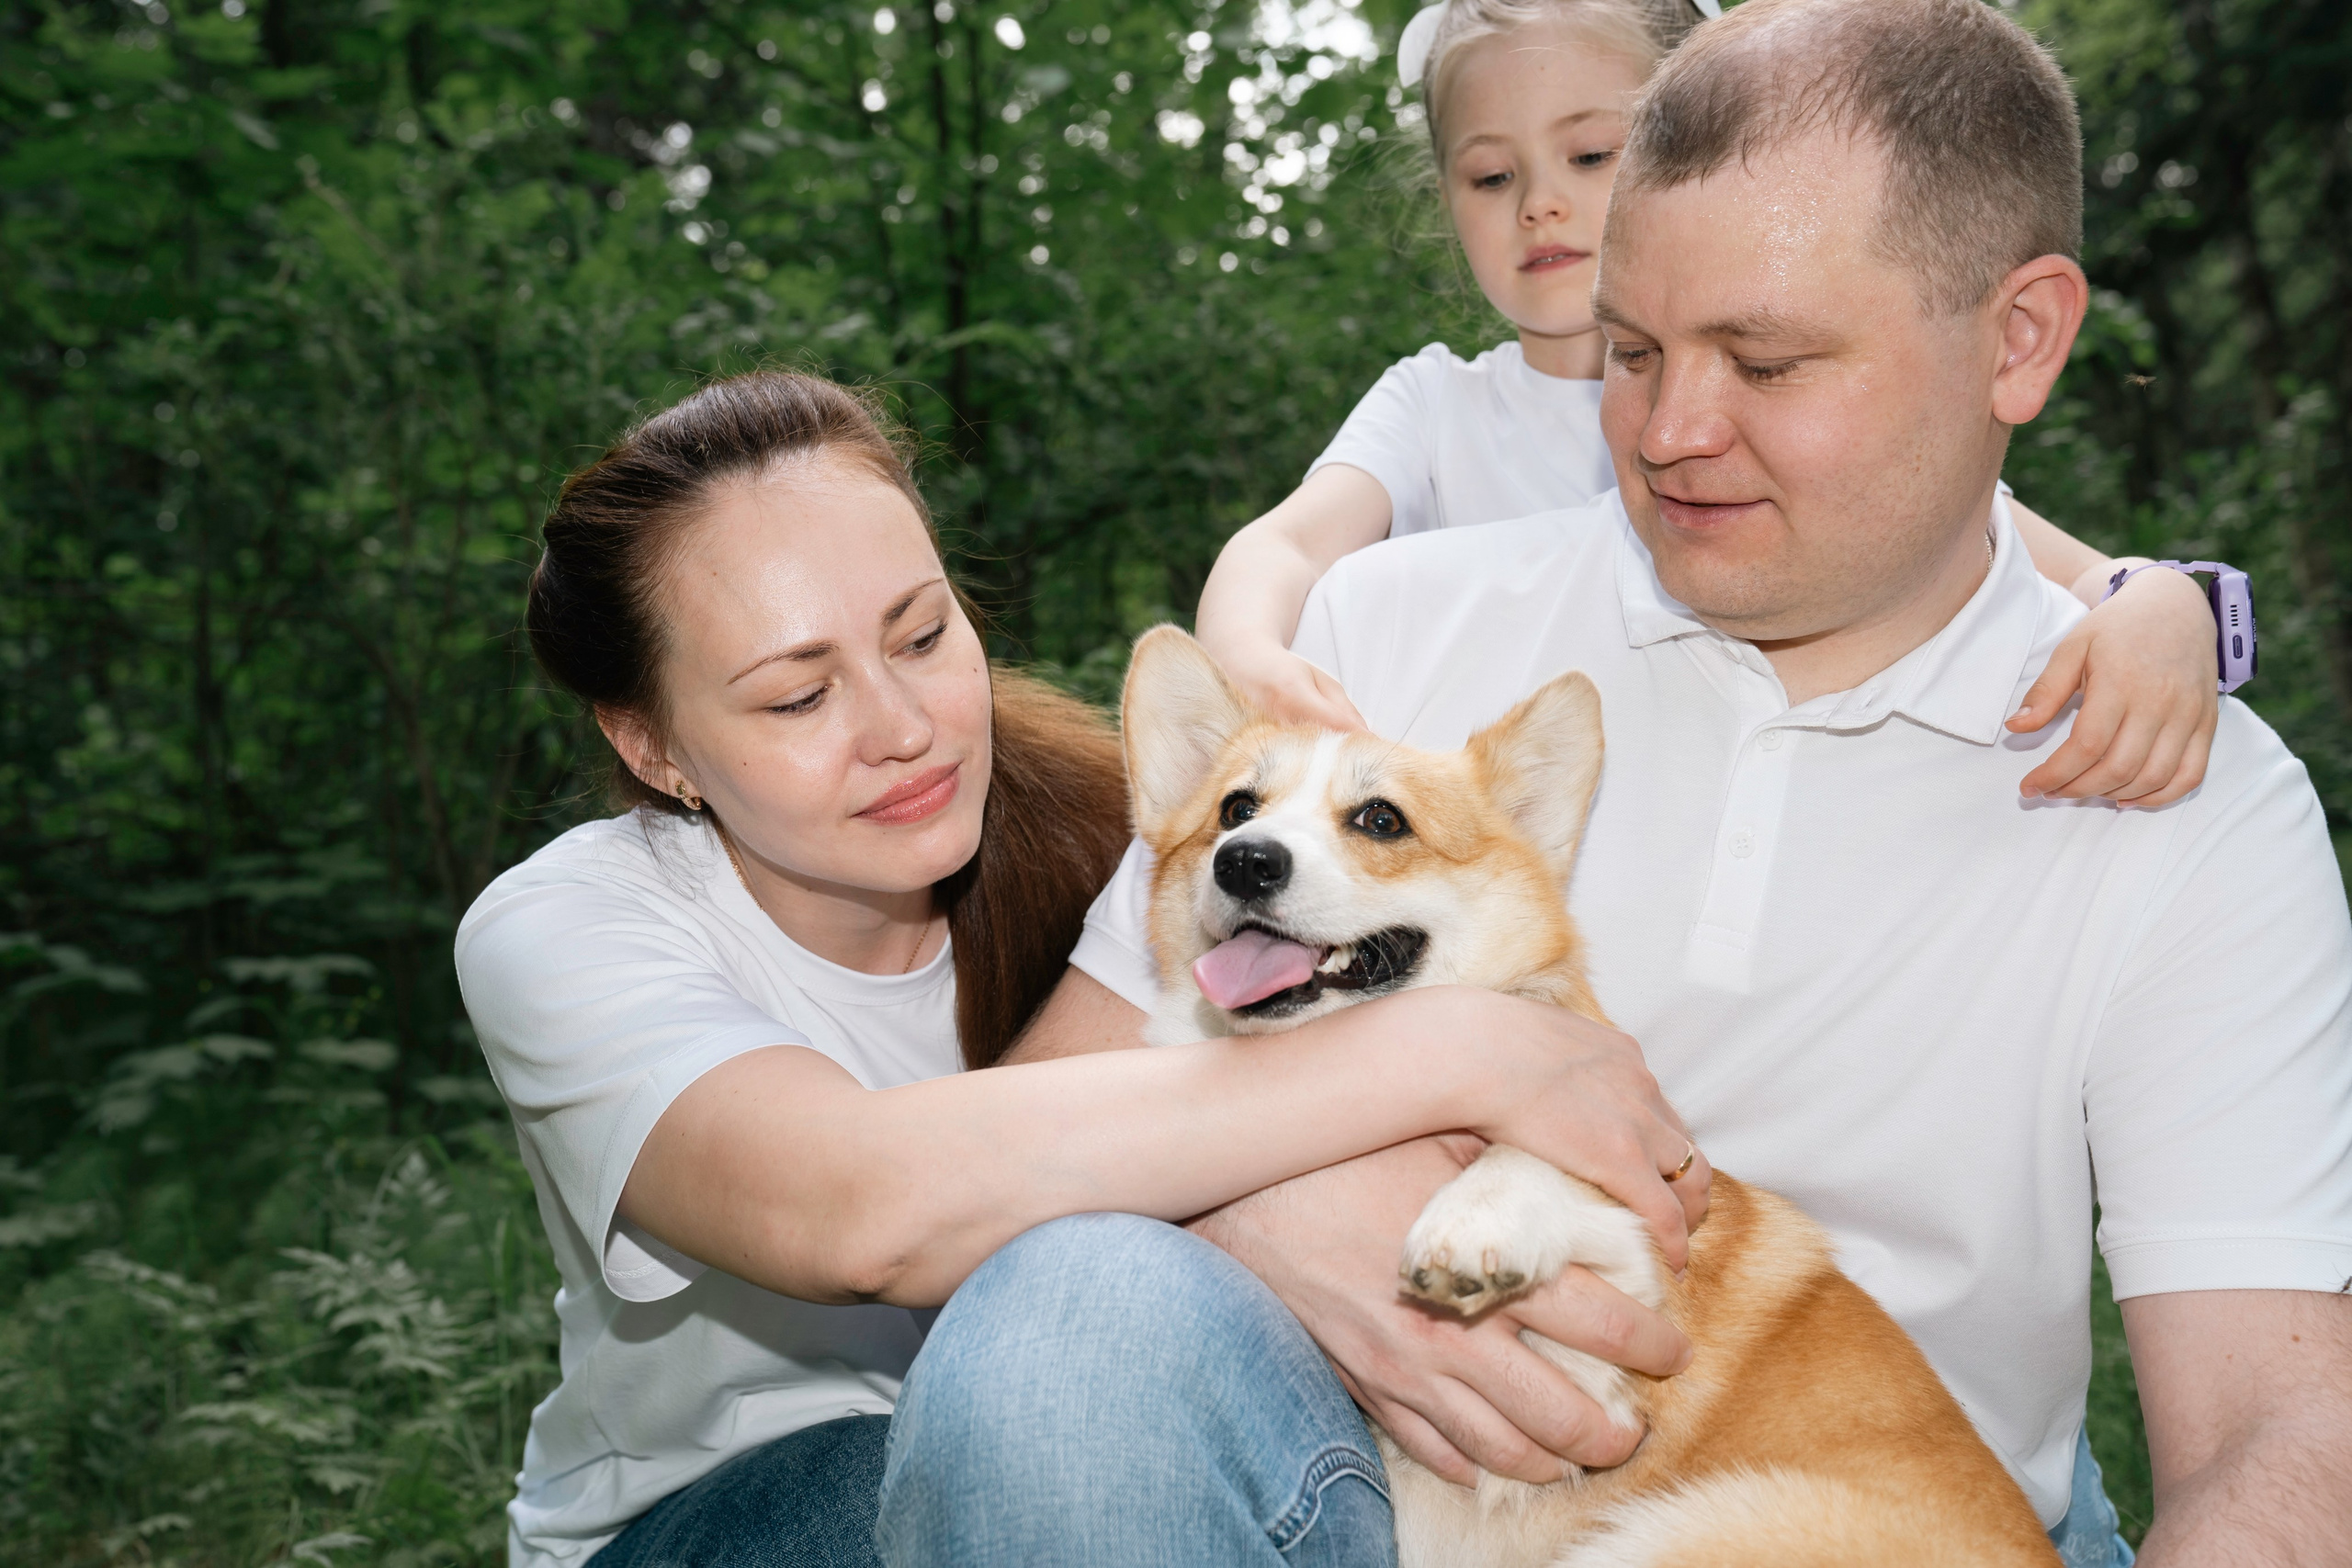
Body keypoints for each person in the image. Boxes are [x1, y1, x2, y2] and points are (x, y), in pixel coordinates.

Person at [925, 0, 2352, 1562]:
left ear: (2018, 337)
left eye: (1768, 358)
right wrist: (1258, 1205)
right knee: (1063, 1332)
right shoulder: (1382, 639)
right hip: (1374, 1490)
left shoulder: (2193, 800)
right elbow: (1024, 1131)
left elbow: (2280, 1436)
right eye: (1631, 350)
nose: (1670, 432)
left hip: (1879, 1517)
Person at [457, 369, 1706, 1567]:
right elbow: (857, 1210)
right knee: (1070, 1318)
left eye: (923, 633)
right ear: (655, 743)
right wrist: (1461, 1051)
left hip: (1137, 1451)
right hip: (744, 1512)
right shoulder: (566, 929)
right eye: (798, 695)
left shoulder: (1170, 861)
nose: (902, 728)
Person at [1193, 0, 2222, 811]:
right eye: (1490, 173)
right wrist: (1246, 655)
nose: (1539, 201)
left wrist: (2169, 608)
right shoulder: (1431, 406)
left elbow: (2072, 572)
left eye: (1594, 156)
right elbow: (1284, 548)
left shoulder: (1843, 445)